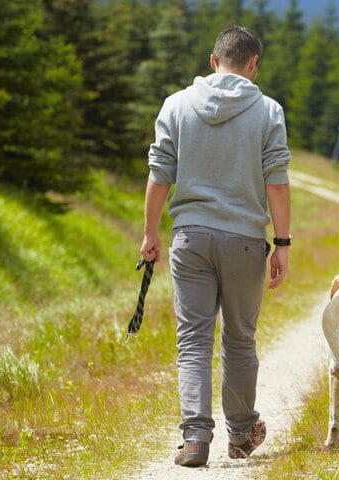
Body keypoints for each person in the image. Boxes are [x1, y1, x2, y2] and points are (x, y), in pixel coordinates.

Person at [139, 25, 291, 468]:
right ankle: (242, 435)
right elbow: (277, 184)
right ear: (253, 64)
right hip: (245, 241)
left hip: (190, 239)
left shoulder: (176, 105)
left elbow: (159, 173)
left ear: (212, 61)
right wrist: (281, 243)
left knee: (193, 340)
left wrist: (151, 233)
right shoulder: (267, 111)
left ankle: (194, 440)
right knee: (240, 339)